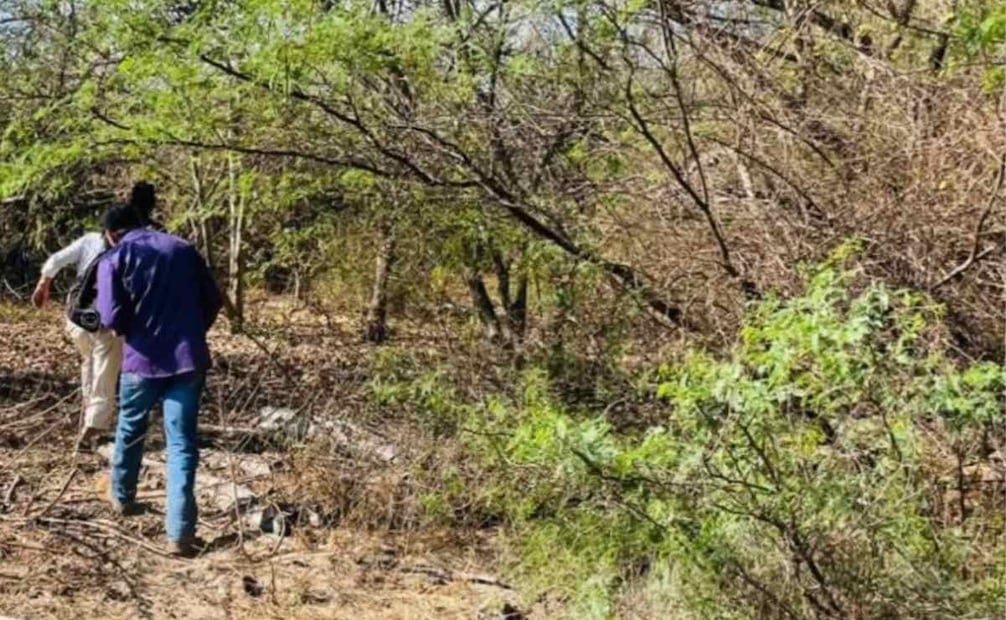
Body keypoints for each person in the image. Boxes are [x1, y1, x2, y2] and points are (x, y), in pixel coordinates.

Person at [96, 205, 222, 556]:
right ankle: (179, 534)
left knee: (130, 429)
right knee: (181, 443)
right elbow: (212, 299)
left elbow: (109, 316)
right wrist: (192, 333)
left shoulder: (115, 258)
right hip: (187, 360)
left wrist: (133, 332)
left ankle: (122, 498)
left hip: (142, 361)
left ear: (110, 234)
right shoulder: (182, 248)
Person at [31, 223, 123, 448]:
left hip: (78, 317)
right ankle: (94, 427)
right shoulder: (128, 248)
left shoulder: (89, 240)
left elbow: (56, 260)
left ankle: (88, 413)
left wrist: (44, 283)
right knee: (104, 370)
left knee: (89, 363)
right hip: (105, 319)